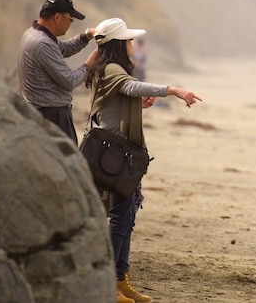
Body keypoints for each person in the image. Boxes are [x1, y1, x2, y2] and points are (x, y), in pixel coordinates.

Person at [85, 17, 202, 303]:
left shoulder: (105, 68)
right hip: (116, 155)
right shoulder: (113, 69)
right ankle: (109, 284)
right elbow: (132, 87)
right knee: (120, 218)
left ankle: (122, 281)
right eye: (128, 39)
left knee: (125, 216)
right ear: (117, 44)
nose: (132, 43)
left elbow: (123, 97)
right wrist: (172, 90)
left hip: (118, 153)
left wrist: (138, 104)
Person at [18, 0, 99, 143]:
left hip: (42, 113)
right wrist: (89, 64)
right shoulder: (42, 43)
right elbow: (69, 81)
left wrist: (86, 36)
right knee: (67, 164)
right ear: (57, 17)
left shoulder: (34, 34)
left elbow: (64, 49)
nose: (70, 24)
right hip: (51, 116)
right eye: (71, 19)